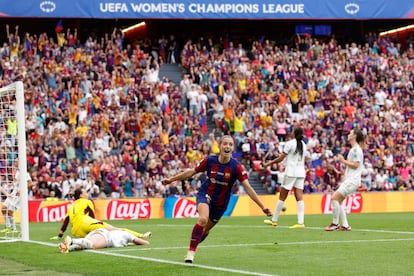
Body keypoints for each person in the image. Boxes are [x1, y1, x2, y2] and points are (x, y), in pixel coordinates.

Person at [161, 135, 272, 263]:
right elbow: (192, 172)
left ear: (232, 148)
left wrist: (262, 206)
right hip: (205, 194)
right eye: (225, 144)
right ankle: (190, 254)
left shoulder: (236, 167)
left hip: (221, 203)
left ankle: (193, 245)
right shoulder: (209, 161)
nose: (227, 146)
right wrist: (171, 179)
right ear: (220, 146)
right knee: (202, 219)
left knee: (205, 230)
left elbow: (248, 188)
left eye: (230, 144)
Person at [57, 188, 151, 239]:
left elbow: (66, 221)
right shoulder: (86, 201)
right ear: (81, 195)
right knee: (115, 229)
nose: (87, 193)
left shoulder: (71, 206)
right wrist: (98, 225)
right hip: (85, 223)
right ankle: (141, 236)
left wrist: (60, 235)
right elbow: (92, 217)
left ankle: (72, 242)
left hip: (76, 232)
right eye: (85, 192)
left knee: (99, 238)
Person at [262, 126, 309, 229]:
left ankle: (274, 220)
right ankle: (301, 222)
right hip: (301, 173)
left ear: (294, 133)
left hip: (291, 172)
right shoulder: (304, 145)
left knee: (282, 196)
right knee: (299, 197)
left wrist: (268, 163)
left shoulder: (290, 144)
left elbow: (280, 158)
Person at [325, 128, 365, 231]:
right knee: (339, 201)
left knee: (334, 198)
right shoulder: (354, 149)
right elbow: (353, 167)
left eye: (351, 133)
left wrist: (343, 161)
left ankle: (334, 223)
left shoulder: (356, 150)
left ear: (354, 136)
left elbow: (356, 165)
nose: (349, 134)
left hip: (352, 180)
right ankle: (345, 225)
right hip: (351, 179)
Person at [0, 160, 33, 233]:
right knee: (3, 209)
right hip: (13, 193)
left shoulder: (25, 173)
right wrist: (11, 184)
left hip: (19, 195)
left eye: (16, 161)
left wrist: (21, 190)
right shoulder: (17, 172)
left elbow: (30, 183)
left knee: (10, 212)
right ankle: (8, 227)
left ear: (20, 163)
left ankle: (13, 229)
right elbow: (17, 182)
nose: (14, 162)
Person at [57, 228, 150, 254]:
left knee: (86, 246)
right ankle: (71, 240)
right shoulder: (127, 234)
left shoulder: (120, 233)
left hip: (100, 233)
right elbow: (144, 243)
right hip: (106, 237)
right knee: (92, 245)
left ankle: (67, 247)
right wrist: (137, 241)